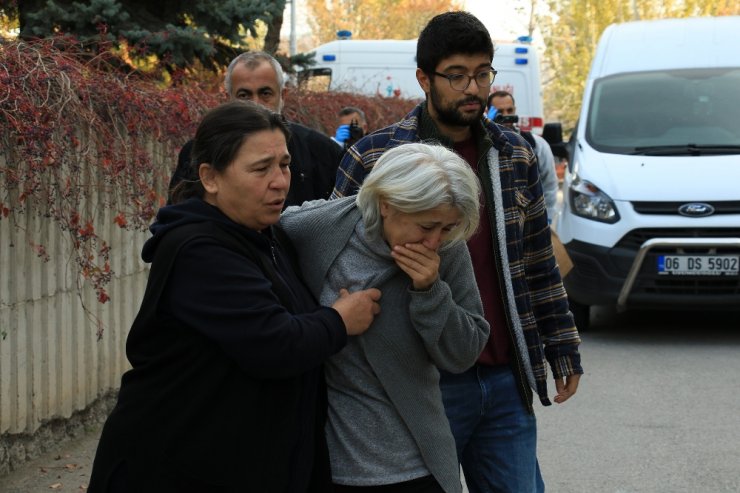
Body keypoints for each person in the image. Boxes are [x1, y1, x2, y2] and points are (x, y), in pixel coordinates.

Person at [331, 11, 583, 493]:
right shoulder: (375, 158)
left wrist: (562, 345)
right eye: (457, 76)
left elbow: (537, 260)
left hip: (504, 376)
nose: (473, 88)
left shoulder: (515, 154)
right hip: (420, 382)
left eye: (483, 74)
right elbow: (337, 261)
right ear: (424, 79)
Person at [88, 100, 381, 493]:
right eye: (261, 169)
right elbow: (275, 344)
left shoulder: (264, 235)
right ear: (210, 177)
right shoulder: (199, 250)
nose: (280, 182)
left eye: (284, 165)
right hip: (173, 467)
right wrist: (340, 320)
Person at [281, 142, 490, 492]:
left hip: (418, 464)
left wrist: (430, 291)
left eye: (448, 228)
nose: (435, 242)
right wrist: (333, 321)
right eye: (426, 226)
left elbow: (464, 353)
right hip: (328, 465)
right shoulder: (318, 228)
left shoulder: (447, 251)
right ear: (386, 204)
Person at [168, 51, 343, 206]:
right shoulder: (199, 153)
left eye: (265, 93)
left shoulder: (321, 152)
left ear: (283, 95)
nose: (255, 104)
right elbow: (177, 218)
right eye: (244, 95)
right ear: (229, 98)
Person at [487, 90, 560, 222]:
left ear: (515, 110)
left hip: (529, 219)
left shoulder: (536, 144)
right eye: (500, 112)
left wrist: (547, 217)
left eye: (509, 110)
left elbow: (549, 184)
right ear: (489, 112)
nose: (506, 115)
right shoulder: (483, 144)